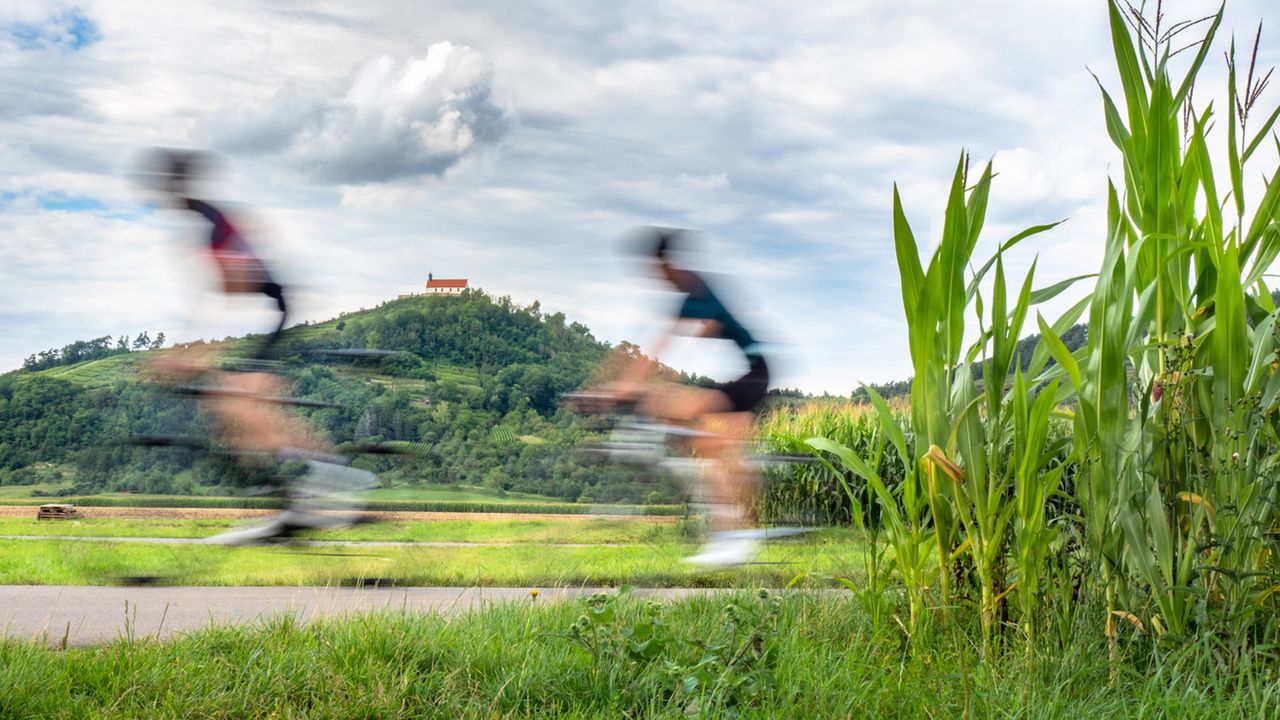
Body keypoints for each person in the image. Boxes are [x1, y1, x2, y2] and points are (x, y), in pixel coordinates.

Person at [142, 148, 370, 544]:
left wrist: (192, 353)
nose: (165, 196)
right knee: (232, 417)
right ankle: (284, 505)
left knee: (245, 405)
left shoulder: (211, 223)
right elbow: (225, 281)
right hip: (263, 312)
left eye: (168, 187)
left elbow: (224, 289)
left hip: (274, 310)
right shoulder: (206, 220)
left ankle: (332, 477)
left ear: (178, 187)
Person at [606, 227, 771, 566]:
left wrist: (628, 384)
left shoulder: (696, 291)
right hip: (753, 374)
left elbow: (663, 342)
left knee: (667, 406)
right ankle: (737, 505)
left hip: (755, 375)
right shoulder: (696, 292)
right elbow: (686, 332)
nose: (660, 279)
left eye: (659, 271)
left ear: (669, 264)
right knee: (714, 450)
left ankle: (730, 531)